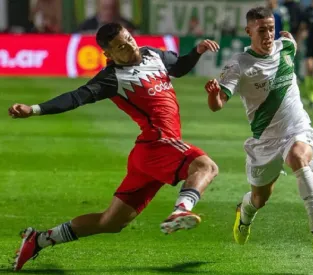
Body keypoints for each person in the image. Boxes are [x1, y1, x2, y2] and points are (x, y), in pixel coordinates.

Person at [9, 23, 220, 271]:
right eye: (121, 46)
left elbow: (179, 66)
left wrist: (196, 51)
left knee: (111, 222)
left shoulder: (152, 53)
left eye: (129, 39)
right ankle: (180, 211)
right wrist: (33, 110)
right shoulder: (111, 78)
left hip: (146, 153)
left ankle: (39, 240)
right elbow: (75, 98)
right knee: (206, 166)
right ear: (108, 55)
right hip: (158, 143)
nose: (130, 46)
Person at [204, 7, 313, 258]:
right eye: (261, 30)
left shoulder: (287, 46)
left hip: (297, 128)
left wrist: (289, 38)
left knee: (297, 157)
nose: (268, 34)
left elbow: (291, 49)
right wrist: (213, 94)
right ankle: (245, 215)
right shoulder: (239, 64)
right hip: (266, 140)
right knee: (259, 198)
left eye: (271, 28)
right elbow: (217, 106)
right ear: (249, 31)